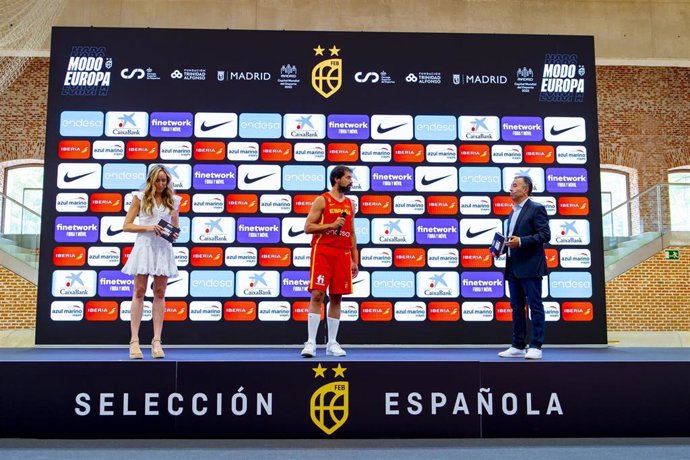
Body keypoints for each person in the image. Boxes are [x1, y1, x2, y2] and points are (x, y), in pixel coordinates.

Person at [121, 165, 180, 359]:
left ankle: (156, 340)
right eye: (158, 180)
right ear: (151, 180)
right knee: (139, 291)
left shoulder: (174, 200)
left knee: (160, 293)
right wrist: (149, 228)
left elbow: (175, 229)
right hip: (144, 247)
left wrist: (171, 232)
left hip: (163, 249)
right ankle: (134, 340)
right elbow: (127, 226)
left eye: (164, 180)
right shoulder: (139, 197)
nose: (162, 184)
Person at [301, 165, 359, 358]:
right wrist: (331, 226)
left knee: (337, 297)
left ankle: (332, 343)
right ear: (336, 179)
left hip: (342, 254)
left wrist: (354, 260)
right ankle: (311, 343)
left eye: (351, 178)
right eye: (348, 178)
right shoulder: (322, 200)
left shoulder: (351, 204)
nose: (351, 181)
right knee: (317, 294)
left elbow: (351, 233)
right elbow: (308, 227)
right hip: (323, 252)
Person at [497, 175, 551, 360]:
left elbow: (545, 235)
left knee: (535, 306)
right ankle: (518, 345)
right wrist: (501, 248)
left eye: (514, 186)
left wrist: (521, 242)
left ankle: (536, 345)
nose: (510, 189)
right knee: (516, 307)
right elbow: (512, 239)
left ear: (525, 189)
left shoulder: (537, 208)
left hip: (531, 266)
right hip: (513, 266)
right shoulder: (512, 212)